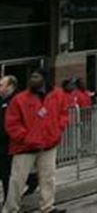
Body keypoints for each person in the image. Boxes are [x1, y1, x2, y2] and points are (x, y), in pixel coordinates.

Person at [2, 68, 68, 213]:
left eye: (37, 76)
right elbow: (12, 123)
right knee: (17, 181)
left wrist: (57, 130)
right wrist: (25, 137)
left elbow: (64, 113)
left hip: (48, 145)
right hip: (25, 147)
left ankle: (47, 207)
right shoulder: (20, 99)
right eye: (32, 76)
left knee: (48, 178)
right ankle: (10, 209)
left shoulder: (58, 94)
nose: (33, 78)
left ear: (45, 78)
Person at [0, 76, 20, 208]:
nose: (0, 87)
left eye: (2, 85)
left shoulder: (15, 101)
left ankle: (9, 202)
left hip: (9, 144)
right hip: (1, 143)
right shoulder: (2, 101)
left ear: (10, 86)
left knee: (7, 174)